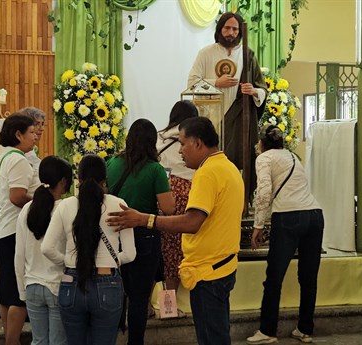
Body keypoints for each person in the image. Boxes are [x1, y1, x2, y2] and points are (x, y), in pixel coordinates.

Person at [107, 117, 244, 345]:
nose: (179, 151)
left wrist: (144, 219)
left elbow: (191, 222)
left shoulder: (207, 173)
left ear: (198, 143)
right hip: (222, 265)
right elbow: (172, 208)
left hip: (208, 270)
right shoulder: (228, 167)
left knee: (212, 337)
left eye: (182, 143)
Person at [41, 154, 136, 345]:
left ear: (78, 179)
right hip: (107, 283)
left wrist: (68, 261)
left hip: (71, 282)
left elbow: (47, 248)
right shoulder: (119, 204)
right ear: (104, 180)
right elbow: (130, 254)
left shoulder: (65, 206)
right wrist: (111, 260)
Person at [245, 125, 324, 344]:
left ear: (262, 143)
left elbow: (263, 192)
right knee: (309, 277)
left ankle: (268, 331)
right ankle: (305, 329)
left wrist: (258, 226)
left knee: (274, 277)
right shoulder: (292, 156)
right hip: (315, 215)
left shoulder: (264, 158)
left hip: (288, 218)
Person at [106, 118, 175, 344]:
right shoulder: (155, 170)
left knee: (117, 292)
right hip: (144, 235)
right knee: (139, 298)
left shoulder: (112, 164)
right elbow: (169, 208)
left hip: (114, 235)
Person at [187, 12, 267, 171]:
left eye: (235, 29)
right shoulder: (206, 53)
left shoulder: (247, 55)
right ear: (219, 29)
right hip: (211, 116)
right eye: (227, 28)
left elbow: (262, 88)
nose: (231, 33)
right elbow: (192, 84)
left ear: (240, 32)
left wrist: (253, 91)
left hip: (238, 118)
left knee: (235, 166)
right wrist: (216, 82)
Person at [0, 113, 38, 345]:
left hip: (5, 229)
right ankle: (12, 341)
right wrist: (42, 202)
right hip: (16, 231)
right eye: (31, 132)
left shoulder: (4, 157)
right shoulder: (18, 159)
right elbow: (17, 196)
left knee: (6, 290)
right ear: (18, 135)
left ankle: (9, 336)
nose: (35, 136)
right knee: (18, 293)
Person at [15, 156, 73, 345]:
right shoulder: (65, 208)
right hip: (57, 286)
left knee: (38, 341)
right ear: (64, 182)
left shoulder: (26, 209)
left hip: (32, 286)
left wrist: (22, 290)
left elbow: (19, 255)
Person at [156, 100, 198, 299]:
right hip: (191, 194)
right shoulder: (192, 139)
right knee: (186, 248)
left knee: (168, 250)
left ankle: (167, 304)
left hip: (165, 193)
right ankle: (174, 303)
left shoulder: (159, 138)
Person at [19, 106, 46, 172]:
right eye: (37, 124)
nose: (42, 129)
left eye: (42, 124)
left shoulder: (34, 148)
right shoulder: (19, 150)